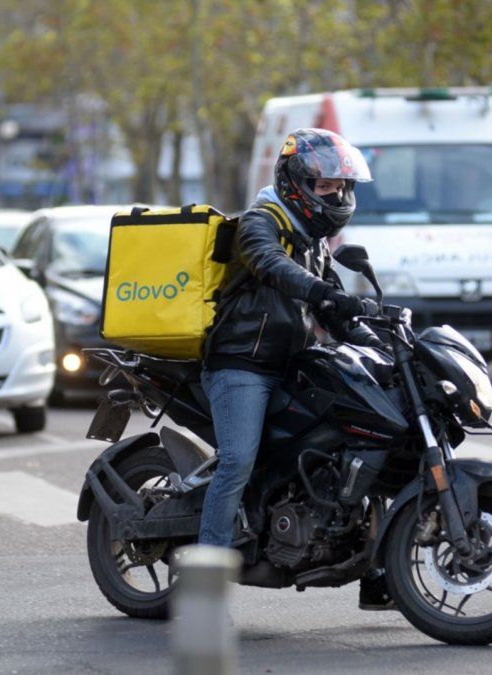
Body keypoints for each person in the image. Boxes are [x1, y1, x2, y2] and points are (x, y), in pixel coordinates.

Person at [200, 127, 393, 610]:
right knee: (237, 460)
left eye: (342, 188)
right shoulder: (260, 221)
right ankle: (205, 580)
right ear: (295, 182)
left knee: (365, 442)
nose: (338, 195)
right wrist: (322, 291)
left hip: (291, 366)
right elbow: (270, 265)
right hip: (241, 364)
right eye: (327, 186)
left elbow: (333, 313)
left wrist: (384, 342)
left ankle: (379, 571)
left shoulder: (312, 242)